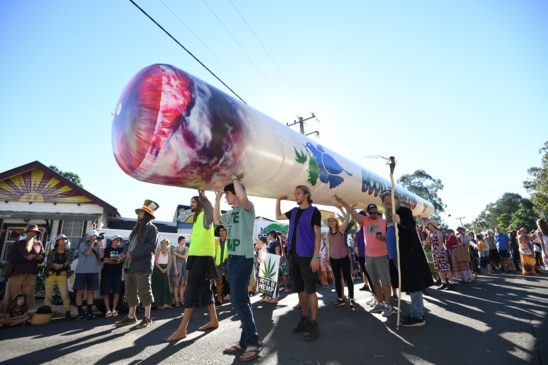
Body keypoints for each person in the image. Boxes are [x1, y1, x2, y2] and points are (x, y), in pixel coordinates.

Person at [215, 176, 261, 362]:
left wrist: (235, 179)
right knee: (241, 300)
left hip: (243, 258)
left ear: (235, 193)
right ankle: (244, 341)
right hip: (232, 260)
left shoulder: (246, 208)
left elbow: (243, 197)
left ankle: (253, 342)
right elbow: (217, 220)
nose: (226, 197)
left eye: (227, 194)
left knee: (238, 299)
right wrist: (217, 200)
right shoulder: (231, 213)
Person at [164, 191, 219, 342]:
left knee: (190, 291)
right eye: (191, 202)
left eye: (194, 202)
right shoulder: (196, 220)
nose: (191, 204)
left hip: (202, 258)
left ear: (200, 203)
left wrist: (203, 197)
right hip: (196, 258)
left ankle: (182, 329)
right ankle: (214, 320)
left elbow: (211, 210)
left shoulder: (206, 217)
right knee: (205, 289)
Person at [379, 190, 433, 327]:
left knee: (414, 284)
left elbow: (410, 226)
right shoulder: (388, 217)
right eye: (384, 199)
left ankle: (418, 316)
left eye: (389, 198)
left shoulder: (403, 211)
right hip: (396, 256)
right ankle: (415, 312)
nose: (387, 201)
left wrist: (401, 221)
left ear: (396, 199)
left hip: (408, 256)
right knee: (409, 284)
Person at [276, 185, 322, 341]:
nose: (295, 196)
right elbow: (278, 216)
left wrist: (316, 257)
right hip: (293, 255)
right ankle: (304, 318)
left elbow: (318, 235)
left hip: (307, 256)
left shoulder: (314, 211)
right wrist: (278, 200)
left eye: (298, 193)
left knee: (311, 290)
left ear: (306, 195)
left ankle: (314, 325)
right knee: (300, 289)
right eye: (294, 193)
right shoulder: (294, 212)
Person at [335, 198, 394, 317]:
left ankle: (389, 306)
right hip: (369, 257)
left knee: (386, 282)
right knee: (375, 281)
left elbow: (392, 234)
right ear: (368, 213)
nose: (373, 215)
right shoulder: (365, 221)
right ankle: (380, 303)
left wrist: (384, 237)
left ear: (378, 212)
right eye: (370, 213)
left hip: (382, 255)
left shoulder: (384, 221)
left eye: (375, 213)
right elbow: (353, 212)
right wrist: (344, 203)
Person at [115, 199, 159, 329]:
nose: (138, 215)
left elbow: (150, 246)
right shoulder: (136, 229)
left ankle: (147, 318)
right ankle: (131, 316)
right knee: (130, 292)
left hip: (142, 265)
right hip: (129, 265)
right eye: (139, 212)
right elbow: (129, 245)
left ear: (147, 215)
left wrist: (132, 254)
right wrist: (123, 254)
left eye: (141, 213)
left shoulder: (152, 229)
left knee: (144, 291)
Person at [1, 224, 44, 315]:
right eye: (31, 231)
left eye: (35, 232)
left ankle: (25, 314)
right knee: (12, 294)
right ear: (27, 232)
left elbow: (42, 256)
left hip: (31, 272)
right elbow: (10, 257)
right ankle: (6, 314)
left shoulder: (39, 244)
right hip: (17, 272)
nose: (32, 234)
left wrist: (39, 257)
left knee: (28, 295)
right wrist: (25, 258)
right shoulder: (18, 243)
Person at [325, 209, 355, 307]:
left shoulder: (341, 230)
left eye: (333, 220)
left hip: (344, 257)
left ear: (336, 222)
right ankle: (340, 298)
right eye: (329, 221)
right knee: (337, 279)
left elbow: (347, 218)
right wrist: (327, 257)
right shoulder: (328, 234)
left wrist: (340, 207)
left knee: (348, 278)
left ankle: (351, 298)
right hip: (333, 258)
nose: (331, 222)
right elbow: (328, 246)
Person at [73, 229, 104, 320]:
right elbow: (87, 252)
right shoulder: (83, 245)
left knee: (91, 292)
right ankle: (80, 312)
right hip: (82, 271)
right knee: (80, 292)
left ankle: (89, 311)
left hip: (93, 271)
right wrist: (91, 243)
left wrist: (100, 244)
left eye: (96, 236)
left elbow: (101, 256)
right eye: (93, 236)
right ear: (89, 237)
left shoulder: (97, 246)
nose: (95, 238)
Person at [44, 233, 74, 320]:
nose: (63, 241)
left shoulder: (68, 252)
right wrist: (54, 265)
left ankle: (67, 312)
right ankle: (46, 312)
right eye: (61, 239)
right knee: (48, 295)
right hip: (51, 274)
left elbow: (69, 261)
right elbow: (48, 262)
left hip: (62, 274)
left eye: (65, 240)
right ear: (57, 241)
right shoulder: (52, 252)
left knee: (64, 295)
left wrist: (61, 265)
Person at [423, 220, 455, 290]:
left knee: (446, 267)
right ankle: (443, 282)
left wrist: (440, 252)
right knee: (439, 268)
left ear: (433, 225)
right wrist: (429, 233)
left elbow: (441, 243)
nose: (428, 226)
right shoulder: (431, 233)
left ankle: (451, 283)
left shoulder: (438, 232)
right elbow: (428, 240)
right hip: (434, 252)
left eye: (429, 225)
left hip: (440, 251)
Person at [101, 234, 124, 317]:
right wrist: (116, 261)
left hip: (117, 274)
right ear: (112, 241)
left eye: (119, 240)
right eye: (116, 240)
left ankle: (114, 309)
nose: (118, 242)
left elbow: (122, 259)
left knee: (117, 291)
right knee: (106, 292)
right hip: (107, 273)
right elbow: (105, 260)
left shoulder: (121, 250)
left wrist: (113, 260)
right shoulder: (107, 250)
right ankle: (108, 310)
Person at [152, 239, 173, 310]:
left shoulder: (168, 252)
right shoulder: (158, 251)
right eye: (162, 243)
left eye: (165, 243)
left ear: (167, 245)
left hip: (165, 269)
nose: (163, 245)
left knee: (164, 286)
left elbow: (169, 262)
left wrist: (166, 269)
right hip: (158, 269)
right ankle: (157, 304)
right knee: (157, 287)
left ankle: (165, 303)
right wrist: (161, 269)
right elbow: (155, 262)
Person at [263, 230, 282, 304]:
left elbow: (277, 254)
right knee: (268, 281)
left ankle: (276, 298)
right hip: (268, 263)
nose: (268, 236)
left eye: (269, 234)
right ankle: (267, 297)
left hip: (273, 263)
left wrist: (277, 265)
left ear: (272, 235)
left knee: (274, 281)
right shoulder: (270, 243)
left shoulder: (276, 243)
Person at [213, 227, 229, 306]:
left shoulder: (229, 240)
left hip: (227, 264)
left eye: (223, 230)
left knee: (230, 281)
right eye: (220, 231)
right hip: (218, 264)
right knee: (218, 282)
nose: (221, 232)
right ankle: (219, 299)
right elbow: (213, 252)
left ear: (226, 232)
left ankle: (231, 297)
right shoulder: (216, 241)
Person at [172, 236, 188, 307]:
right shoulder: (175, 249)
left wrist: (176, 254)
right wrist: (176, 269)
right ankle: (176, 301)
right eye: (182, 240)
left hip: (184, 266)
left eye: (184, 240)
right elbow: (174, 261)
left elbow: (185, 257)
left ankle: (181, 300)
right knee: (176, 284)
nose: (183, 242)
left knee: (182, 284)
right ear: (179, 241)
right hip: (177, 266)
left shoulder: (186, 249)